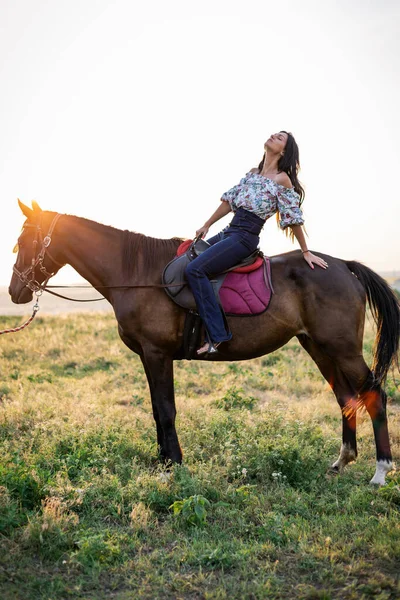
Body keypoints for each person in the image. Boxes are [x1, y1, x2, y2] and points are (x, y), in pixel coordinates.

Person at [185, 131, 328, 355]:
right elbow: (229, 201)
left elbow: (293, 217)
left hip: (244, 237)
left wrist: (305, 251)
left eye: (280, 138)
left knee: (196, 270)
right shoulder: (252, 174)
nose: (274, 136)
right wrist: (207, 224)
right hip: (229, 231)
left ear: (283, 151)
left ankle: (218, 335)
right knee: (187, 260)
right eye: (275, 134)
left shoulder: (282, 179)